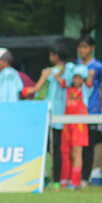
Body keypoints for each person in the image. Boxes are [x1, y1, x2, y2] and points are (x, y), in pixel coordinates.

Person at [76, 34, 102, 180]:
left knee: (88, 145)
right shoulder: (75, 65)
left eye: (85, 47)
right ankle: (74, 176)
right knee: (75, 145)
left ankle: (85, 177)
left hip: (91, 110)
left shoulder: (98, 67)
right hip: (75, 111)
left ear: (92, 48)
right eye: (80, 47)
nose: (82, 51)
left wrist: (100, 109)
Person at [42, 40, 74, 187]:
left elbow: (66, 84)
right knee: (51, 148)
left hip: (61, 115)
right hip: (50, 115)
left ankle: (58, 180)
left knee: (58, 149)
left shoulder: (68, 70)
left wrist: (56, 76)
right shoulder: (52, 71)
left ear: (55, 55)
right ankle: (52, 177)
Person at [56, 64, 90, 189]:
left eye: (79, 78)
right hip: (67, 123)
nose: (77, 81)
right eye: (75, 78)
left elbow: (90, 80)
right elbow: (57, 77)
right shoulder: (67, 88)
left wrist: (89, 74)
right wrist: (65, 70)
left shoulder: (85, 89)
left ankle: (76, 181)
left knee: (77, 152)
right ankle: (66, 179)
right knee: (67, 153)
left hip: (79, 124)